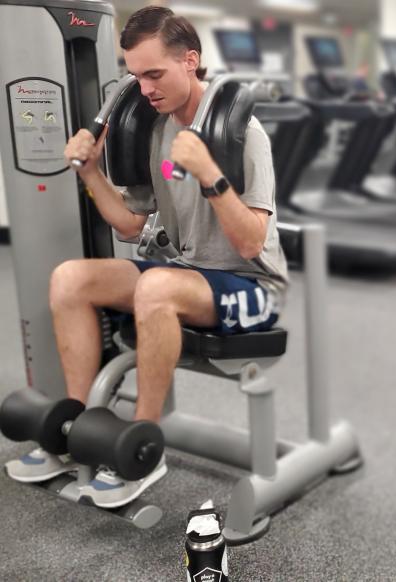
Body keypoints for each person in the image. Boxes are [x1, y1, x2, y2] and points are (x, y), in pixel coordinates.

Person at [4, 7, 288, 508]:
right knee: (71, 278)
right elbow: (133, 224)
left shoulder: (246, 135)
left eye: (154, 73)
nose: (145, 87)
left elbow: (251, 243)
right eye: (135, 75)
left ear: (190, 61)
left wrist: (210, 176)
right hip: (186, 273)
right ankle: (80, 432)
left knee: (155, 287)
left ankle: (142, 446)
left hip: (250, 285)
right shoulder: (156, 131)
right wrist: (91, 172)